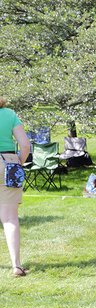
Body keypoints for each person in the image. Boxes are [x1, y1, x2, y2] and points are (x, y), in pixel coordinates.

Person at [0, 97, 30, 276]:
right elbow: (25, 145)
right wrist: (18, 162)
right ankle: (16, 266)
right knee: (10, 218)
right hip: (8, 162)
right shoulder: (9, 114)